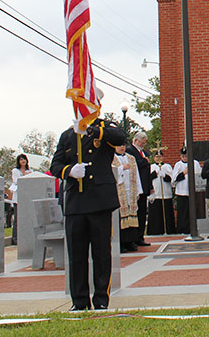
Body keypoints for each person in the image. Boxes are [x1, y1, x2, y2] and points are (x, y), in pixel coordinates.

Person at [50, 117, 125, 311]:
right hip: (76, 202)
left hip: (100, 201)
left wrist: (92, 130)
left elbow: (120, 138)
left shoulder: (104, 128)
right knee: (76, 255)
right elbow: (55, 165)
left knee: (101, 254)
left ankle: (101, 299)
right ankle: (79, 301)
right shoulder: (68, 136)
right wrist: (70, 171)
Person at [112, 143, 142, 253]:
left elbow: (137, 174)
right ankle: (121, 243)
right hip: (120, 191)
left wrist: (139, 191)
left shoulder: (131, 158)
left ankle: (131, 242)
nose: (121, 147)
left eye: (123, 145)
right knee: (121, 218)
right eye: (119, 145)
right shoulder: (111, 158)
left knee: (132, 216)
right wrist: (121, 168)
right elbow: (111, 172)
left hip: (131, 190)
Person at [126, 132, 152, 247]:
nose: (143, 144)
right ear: (136, 140)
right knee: (136, 212)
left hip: (144, 185)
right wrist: (144, 161)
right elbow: (135, 165)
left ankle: (140, 236)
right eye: (142, 142)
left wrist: (150, 187)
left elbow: (148, 170)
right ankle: (134, 237)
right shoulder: (130, 151)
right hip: (135, 186)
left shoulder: (143, 152)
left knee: (142, 212)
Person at [172, 147, 201, 234]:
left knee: (192, 211)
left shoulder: (195, 163)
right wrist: (183, 173)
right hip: (181, 192)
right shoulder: (178, 165)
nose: (185, 158)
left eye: (187, 156)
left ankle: (192, 228)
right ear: (181, 156)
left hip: (192, 191)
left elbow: (199, 175)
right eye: (183, 156)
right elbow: (174, 179)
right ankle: (182, 228)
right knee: (183, 212)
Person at [147, 151, 176, 235]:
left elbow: (172, 179)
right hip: (155, 194)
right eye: (156, 157)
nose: (158, 159)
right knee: (155, 215)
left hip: (166, 193)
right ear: (154, 158)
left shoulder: (167, 166)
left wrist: (165, 175)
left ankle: (169, 230)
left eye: (160, 157)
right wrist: (154, 174)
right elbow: (148, 179)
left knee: (167, 214)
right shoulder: (151, 167)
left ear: (163, 157)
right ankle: (155, 231)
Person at [9, 154, 32, 245]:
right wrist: (24, 175)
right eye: (21, 159)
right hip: (18, 198)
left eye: (24, 159)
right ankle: (15, 238)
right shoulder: (15, 171)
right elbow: (16, 181)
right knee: (17, 219)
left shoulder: (30, 171)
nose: (23, 161)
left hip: (26, 197)